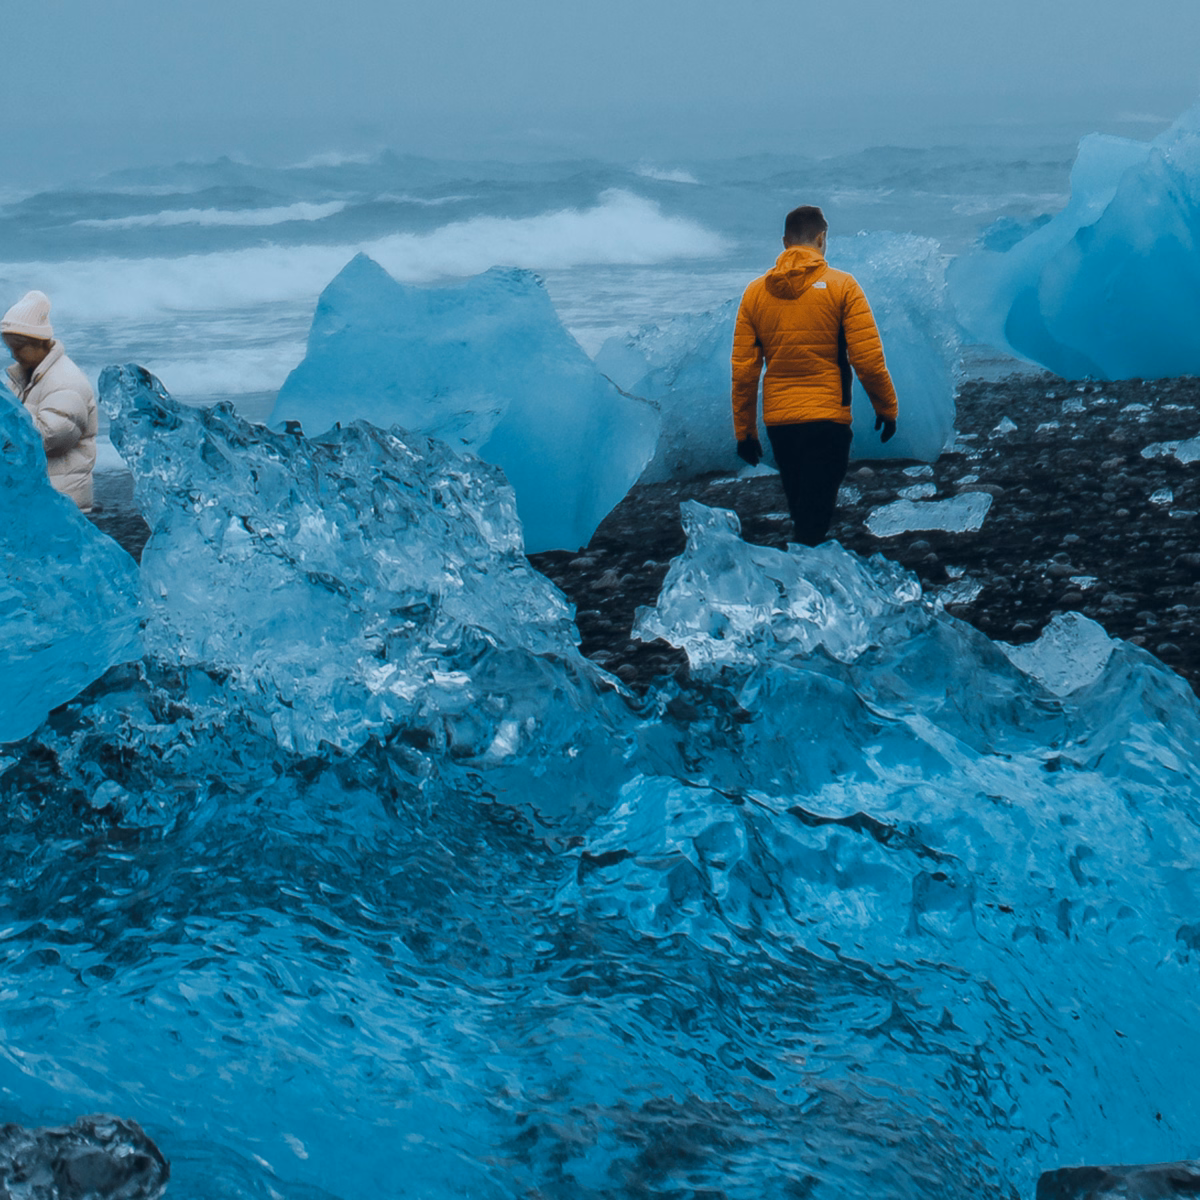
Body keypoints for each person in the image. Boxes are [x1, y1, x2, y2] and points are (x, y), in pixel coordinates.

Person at [731, 205, 898, 546]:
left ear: (784, 242)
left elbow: (744, 372)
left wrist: (745, 433)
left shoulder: (754, 293)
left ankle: (800, 575)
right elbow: (867, 359)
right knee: (814, 516)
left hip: (780, 423)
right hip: (827, 420)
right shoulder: (843, 286)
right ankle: (803, 575)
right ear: (822, 239)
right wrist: (887, 407)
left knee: (802, 510)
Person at [2, 290, 97, 512]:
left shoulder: (67, 382)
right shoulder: (21, 378)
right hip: (40, 497)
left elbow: (51, 438)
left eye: (19, 348)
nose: (14, 355)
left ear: (41, 342)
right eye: (10, 348)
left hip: (64, 501)